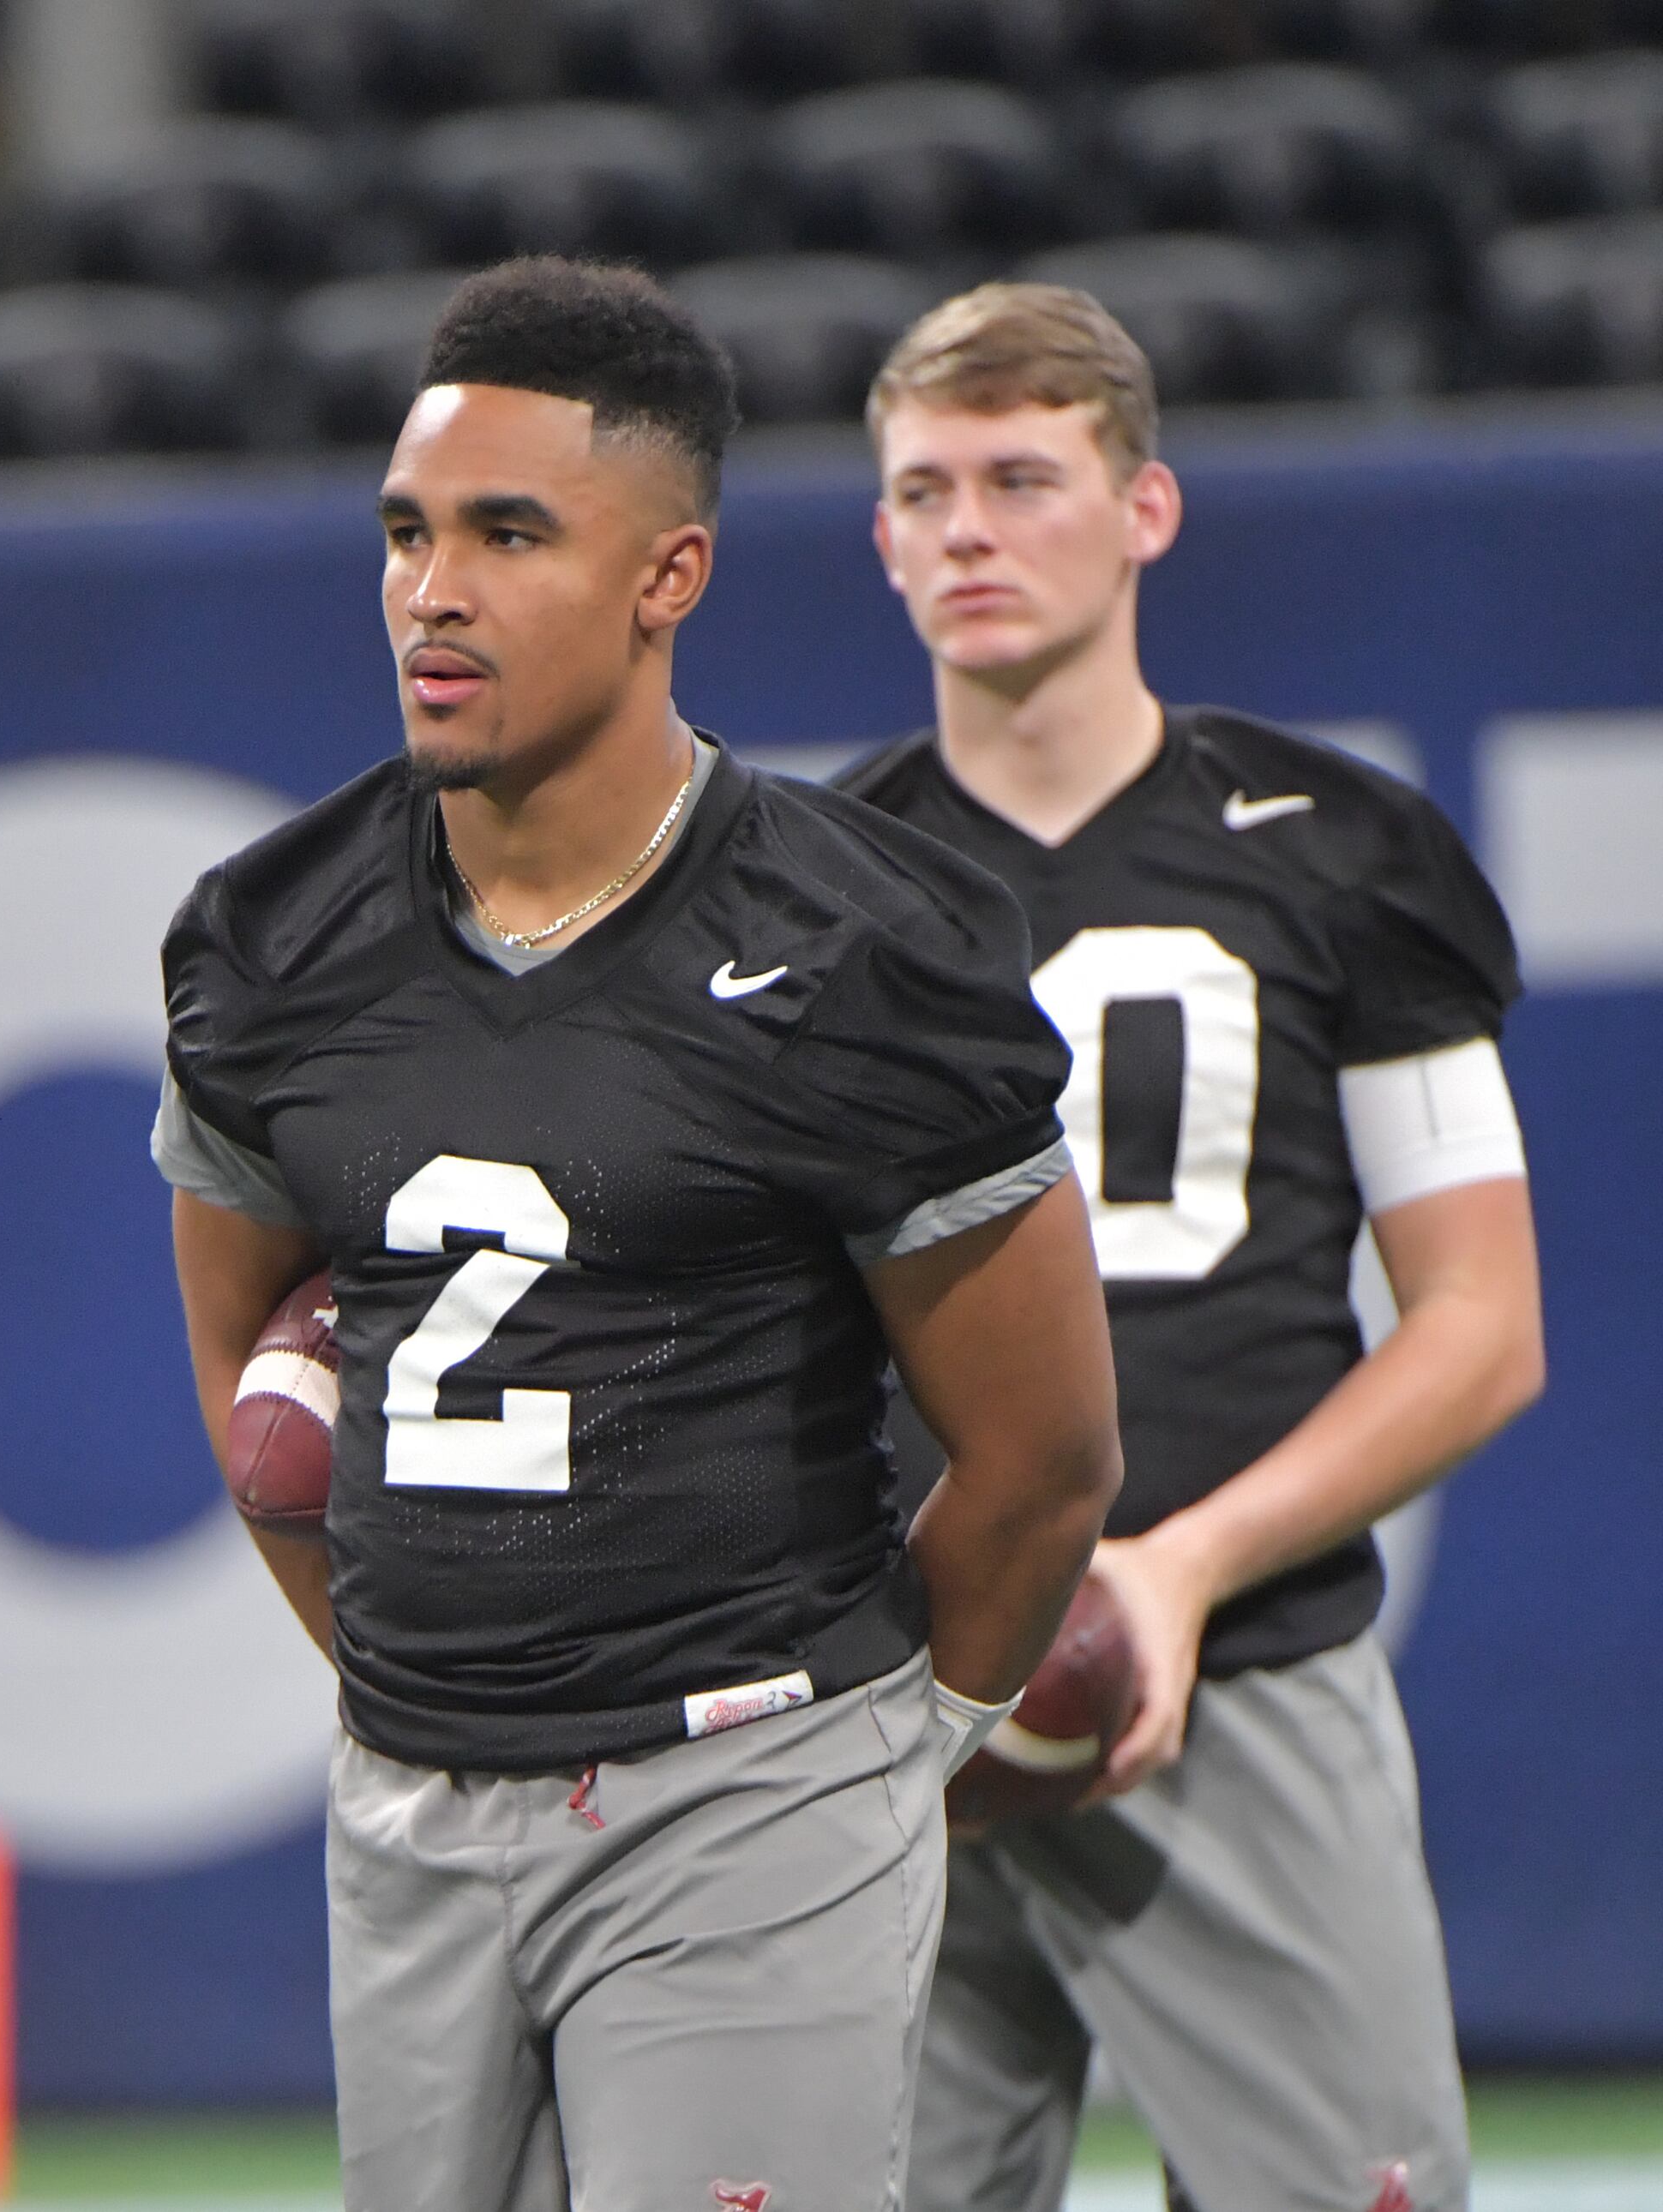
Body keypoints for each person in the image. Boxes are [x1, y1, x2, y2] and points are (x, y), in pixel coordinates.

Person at [155, 255, 1128, 2212]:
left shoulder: (868, 943)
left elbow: (1045, 1459)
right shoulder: (268, 935)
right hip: (415, 1804)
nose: (435, 590)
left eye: (511, 533)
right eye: (409, 534)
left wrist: (876, 1757)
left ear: (666, 575)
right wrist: (436, 1695)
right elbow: (257, 1397)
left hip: (750, 1780)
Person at [841, 283, 1545, 2212]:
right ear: (881, 536)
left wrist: (1180, 1567)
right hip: (904, 1702)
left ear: (1145, 507)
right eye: (926, 490)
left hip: (1242, 1669)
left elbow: (1482, 1323)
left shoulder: (1338, 852)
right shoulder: (809, 898)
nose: (970, 528)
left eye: (1021, 476)